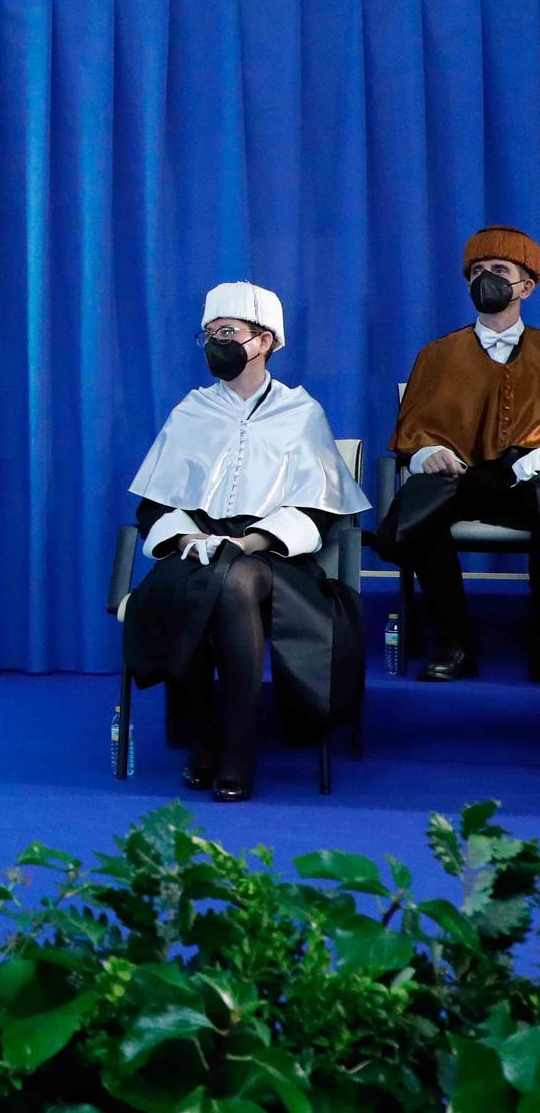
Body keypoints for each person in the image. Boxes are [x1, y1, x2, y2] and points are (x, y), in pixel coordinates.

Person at [124, 282, 368, 801]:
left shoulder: (302, 413)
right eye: (209, 334)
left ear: (265, 341)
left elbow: (319, 509)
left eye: (228, 332)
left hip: (273, 558)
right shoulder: (190, 411)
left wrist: (254, 541)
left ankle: (229, 749)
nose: (217, 343)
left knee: (234, 581)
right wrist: (190, 536)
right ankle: (214, 741)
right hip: (196, 549)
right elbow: (153, 505)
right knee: (212, 579)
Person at [378, 226, 540, 682]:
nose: (485, 278)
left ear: (525, 286)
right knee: (423, 522)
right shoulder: (438, 355)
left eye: (499, 270)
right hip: (460, 481)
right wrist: (428, 451)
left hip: (525, 482)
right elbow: (413, 431)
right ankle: (454, 645)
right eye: (477, 271)